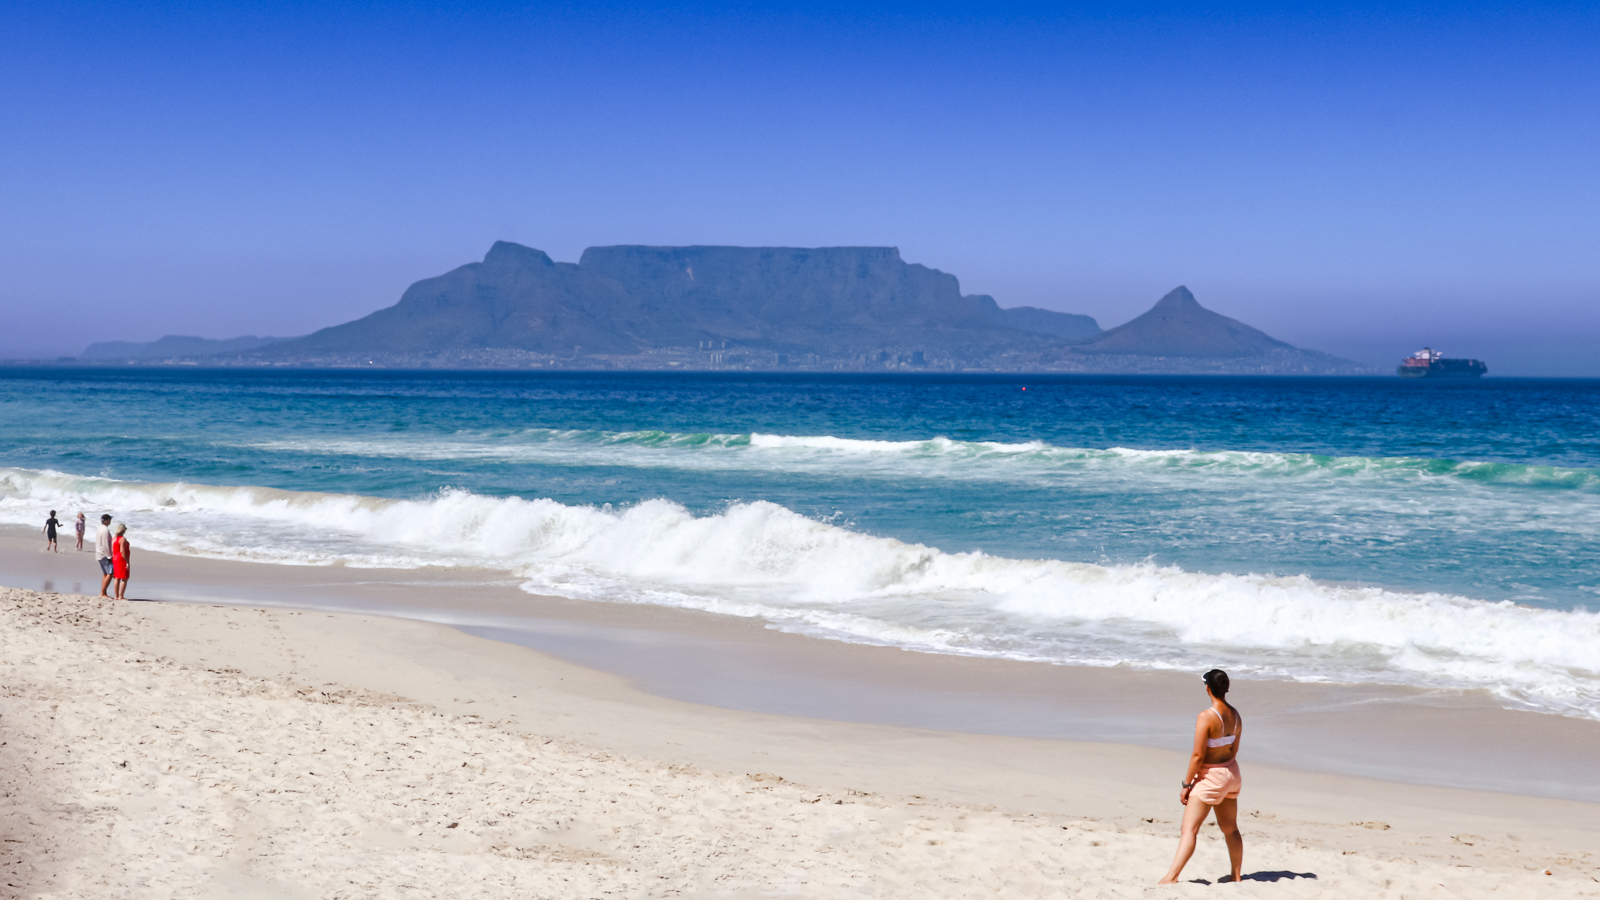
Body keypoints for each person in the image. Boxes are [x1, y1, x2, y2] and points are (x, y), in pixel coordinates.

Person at [1158, 669, 1245, 885]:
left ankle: (1171, 877)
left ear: (1208, 688)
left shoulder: (1206, 717)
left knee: (1189, 829)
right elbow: (1234, 750)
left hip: (1211, 778)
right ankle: (1236, 875)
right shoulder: (1235, 715)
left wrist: (1187, 785)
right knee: (1230, 828)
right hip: (1232, 774)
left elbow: (1198, 756)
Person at [95, 514, 115, 598]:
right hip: (104, 554)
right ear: (106, 520)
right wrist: (110, 556)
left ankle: (103, 592)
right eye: (109, 519)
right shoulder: (105, 530)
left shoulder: (100, 528)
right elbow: (106, 544)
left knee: (105, 573)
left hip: (99, 553)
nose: (110, 521)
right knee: (110, 573)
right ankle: (103, 592)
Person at [111, 524, 132, 601]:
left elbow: (113, 550)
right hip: (121, 558)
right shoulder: (122, 539)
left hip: (115, 558)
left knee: (116, 577)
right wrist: (127, 562)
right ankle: (121, 596)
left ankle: (116, 596)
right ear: (123, 530)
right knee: (124, 577)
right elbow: (122, 551)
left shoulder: (114, 538)